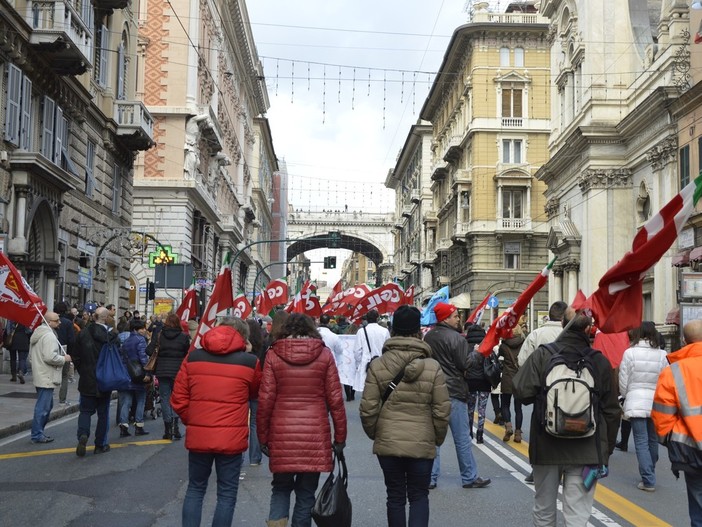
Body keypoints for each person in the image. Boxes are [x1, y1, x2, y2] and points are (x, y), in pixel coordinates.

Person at [513, 308, 620, 526]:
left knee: (543, 508)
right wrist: (605, 451)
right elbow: (611, 411)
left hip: (547, 445)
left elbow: (521, 391)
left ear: (563, 323)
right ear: (589, 329)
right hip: (587, 449)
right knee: (578, 514)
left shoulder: (543, 354)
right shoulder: (599, 361)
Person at [360, 305, 450, 527]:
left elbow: (368, 408)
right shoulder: (432, 366)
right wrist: (436, 439)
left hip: (388, 442)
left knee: (395, 496)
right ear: (419, 331)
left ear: (392, 330)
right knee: (419, 496)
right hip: (422, 442)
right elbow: (441, 410)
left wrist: (377, 433)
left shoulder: (378, 365)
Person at [257, 314, 347, 527]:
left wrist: (262, 437)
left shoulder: (273, 355)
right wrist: (340, 437)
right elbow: (335, 400)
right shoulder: (324, 354)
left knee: (280, 488)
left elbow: (266, 399)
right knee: (306, 493)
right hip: (314, 434)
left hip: (282, 434)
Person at [171, 319, 261, 527]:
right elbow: (255, 392)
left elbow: (179, 399)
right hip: (231, 438)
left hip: (200, 436)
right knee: (227, 493)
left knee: (195, 488)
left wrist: (194, 421)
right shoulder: (249, 362)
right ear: (242, 336)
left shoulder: (193, 358)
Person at [423, 302, 491, 489]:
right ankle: (469, 476)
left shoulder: (428, 337)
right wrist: (477, 354)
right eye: (455, 316)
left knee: (434, 438)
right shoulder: (457, 339)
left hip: (433, 391)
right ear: (445, 318)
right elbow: (465, 364)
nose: (458, 318)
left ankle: (430, 477)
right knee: (461, 438)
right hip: (453, 392)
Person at [652, 319, 702, 526]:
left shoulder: (674, 371)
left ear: (683, 340)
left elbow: (662, 415)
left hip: (692, 451)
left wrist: (670, 441)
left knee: (698, 505)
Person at [517, 300, 567, 484]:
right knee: (564, 428)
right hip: (568, 390)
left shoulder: (536, 334)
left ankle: (537, 470)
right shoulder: (568, 334)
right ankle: (562, 468)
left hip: (543, 391)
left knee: (540, 430)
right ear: (563, 317)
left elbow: (522, 361)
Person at [618, 321, 667, 492]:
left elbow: (623, 381)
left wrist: (625, 396)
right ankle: (650, 471)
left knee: (640, 440)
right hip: (656, 401)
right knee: (653, 439)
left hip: (636, 399)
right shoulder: (662, 354)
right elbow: (666, 380)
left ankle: (648, 479)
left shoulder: (629, 353)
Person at [73, 306, 117, 456]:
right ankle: (100, 444)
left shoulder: (83, 333)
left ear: (94, 317)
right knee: (103, 413)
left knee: (85, 411)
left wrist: (83, 371)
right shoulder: (111, 336)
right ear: (105, 318)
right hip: (105, 379)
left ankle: (83, 435)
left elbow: (76, 356)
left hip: (87, 379)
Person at [29, 313, 70, 443]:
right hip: (46, 375)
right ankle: (37, 434)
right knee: (43, 407)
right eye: (56, 321)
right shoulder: (49, 336)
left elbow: (31, 356)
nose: (60, 322)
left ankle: (38, 432)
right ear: (49, 322)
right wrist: (64, 358)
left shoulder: (38, 333)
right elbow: (50, 357)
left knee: (46, 405)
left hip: (40, 373)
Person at [151, 313, 190, 440]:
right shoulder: (183, 337)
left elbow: (149, 350)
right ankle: (175, 427)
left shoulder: (160, 335)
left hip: (162, 370)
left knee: (164, 398)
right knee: (176, 398)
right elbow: (187, 354)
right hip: (177, 371)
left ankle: (167, 429)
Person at [117, 319, 151, 437]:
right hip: (138, 374)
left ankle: (123, 426)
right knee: (141, 399)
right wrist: (148, 373)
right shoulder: (140, 340)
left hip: (127, 374)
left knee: (126, 401)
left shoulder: (125, 341)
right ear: (136, 329)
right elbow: (143, 358)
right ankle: (139, 425)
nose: (144, 330)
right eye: (142, 328)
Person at [517, 300, 568, 367]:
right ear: (565, 316)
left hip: (540, 375)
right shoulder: (571, 335)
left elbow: (522, 361)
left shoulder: (535, 335)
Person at [498, 324, 526, 443]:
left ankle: (508, 426)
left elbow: (499, 359)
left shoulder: (504, 346)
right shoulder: (523, 343)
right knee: (518, 408)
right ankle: (518, 433)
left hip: (507, 378)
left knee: (505, 404)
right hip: (519, 378)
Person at [464, 323, 490, 444]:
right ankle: (480, 434)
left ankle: (469, 432)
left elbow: (464, 364)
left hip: (470, 381)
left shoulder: (466, 345)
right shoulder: (486, 345)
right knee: (482, 409)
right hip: (485, 381)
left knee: (470, 408)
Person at [353, 309, 390, 392]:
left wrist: (359, 364)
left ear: (367, 319)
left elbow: (357, 351)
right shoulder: (385, 331)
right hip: (382, 364)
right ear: (377, 318)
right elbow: (388, 349)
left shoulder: (361, 332)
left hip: (366, 365)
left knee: (367, 392)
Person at [246, 318, 266, 466]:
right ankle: (254, 457)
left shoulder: (241, 347)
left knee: (238, 421)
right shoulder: (263, 345)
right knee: (254, 423)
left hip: (241, 385)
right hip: (259, 385)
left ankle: (236, 456)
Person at [318, 314, 352, 400]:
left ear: (319, 321)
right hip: (330, 363)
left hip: (315, 363)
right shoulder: (333, 336)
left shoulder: (313, 334)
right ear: (329, 322)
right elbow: (340, 351)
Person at [54, 302, 76, 405]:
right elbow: (71, 340)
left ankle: (49, 397)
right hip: (64, 351)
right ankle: (62, 399)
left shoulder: (50, 322)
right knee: (64, 376)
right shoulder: (67, 323)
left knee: (51, 374)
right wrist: (71, 354)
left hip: (52, 349)